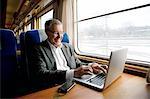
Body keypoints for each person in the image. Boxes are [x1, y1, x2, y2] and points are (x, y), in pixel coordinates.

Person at [30, 19, 107, 87]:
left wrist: (91, 66)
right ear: (47, 32)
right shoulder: (38, 49)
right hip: (54, 85)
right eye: (56, 33)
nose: (60, 36)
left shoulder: (69, 47)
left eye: (61, 32)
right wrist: (73, 73)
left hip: (74, 82)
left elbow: (78, 64)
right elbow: (41, 74)